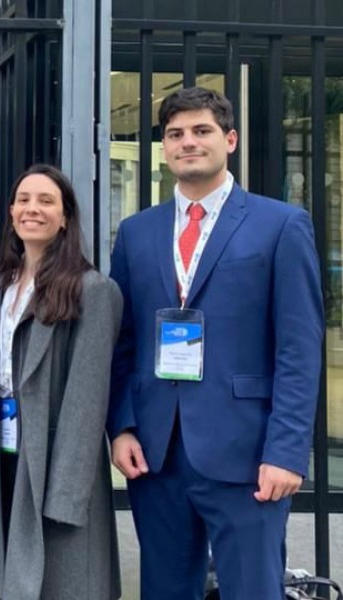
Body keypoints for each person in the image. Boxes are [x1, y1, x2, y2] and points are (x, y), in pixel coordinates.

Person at [108, 87, 323, 599]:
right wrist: (122, 426)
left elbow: (299, 348)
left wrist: (288, 452)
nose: (188, 143)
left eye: (201, 131)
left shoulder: (281, 225)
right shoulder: (137, 233)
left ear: (229, 139)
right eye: (176, 134)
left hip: (248, 456)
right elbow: (122, 343)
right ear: (164, 148)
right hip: (156, 457)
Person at [0, 164, 122, 599]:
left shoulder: (92, 290)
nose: (33, 209)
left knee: (63, 586)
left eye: (46, 201)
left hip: (56, 464)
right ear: (11, 212)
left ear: (65, 217)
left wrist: (66, 495)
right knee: (16, 582)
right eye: (24, 200)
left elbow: (87, 400)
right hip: (6, 454)